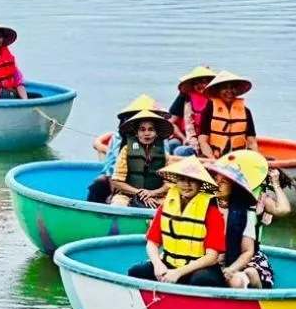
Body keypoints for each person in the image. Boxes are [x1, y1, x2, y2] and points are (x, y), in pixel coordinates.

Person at [127, 157, 226, 287]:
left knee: (202, 281)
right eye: (182, 180)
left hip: (198, 268)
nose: (186, 184)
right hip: (168, 263)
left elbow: (212, 257)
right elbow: (152, 243)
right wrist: (158, 264)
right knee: (136, 272)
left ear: (200, 184)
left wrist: (178, 272)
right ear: (176, 182)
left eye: (192, 180)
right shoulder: (166, 206)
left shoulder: (212, 212)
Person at [209, 151, 277, 289]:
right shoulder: (206, 205)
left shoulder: (244, 212)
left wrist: (231, 269)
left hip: (240, 258)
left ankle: (258, 297)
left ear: (233, 187)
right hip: (212, 259)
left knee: (243, 277)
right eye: (215, 180)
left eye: (224, 182)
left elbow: (247, 251)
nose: (218, 185)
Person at [108, 109, 173, 208]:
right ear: (136, 133)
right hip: (127, 195)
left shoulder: (164, 154)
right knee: (118, 205)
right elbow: (116, 181)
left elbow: (169, 184)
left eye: (151, 129)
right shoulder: (126, 151)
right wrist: (140, 193)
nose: (146, 133)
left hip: (157, 196)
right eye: (142, 130)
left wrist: (152, 193)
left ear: (156, 133)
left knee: (170, 207)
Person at [197, 71, 258, 160]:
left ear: (237, 90)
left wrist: (255, 159)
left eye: (232, 87)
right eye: (225, 88)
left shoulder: (246, 111)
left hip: (238, 158)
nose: (229, 91)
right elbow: (203, 141)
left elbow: (252, 142)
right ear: (218, 91)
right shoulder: (209, 110)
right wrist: (211, 159)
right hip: (214, 157)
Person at [166, 66, 214, 144]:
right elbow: (171, 122)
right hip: (185, 136)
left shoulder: (218, 99)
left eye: (204, 82)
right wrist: (184, 138)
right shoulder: (185, 97)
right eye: (196, 83)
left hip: (209, 138)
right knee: (173, 145)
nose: (200, 85)